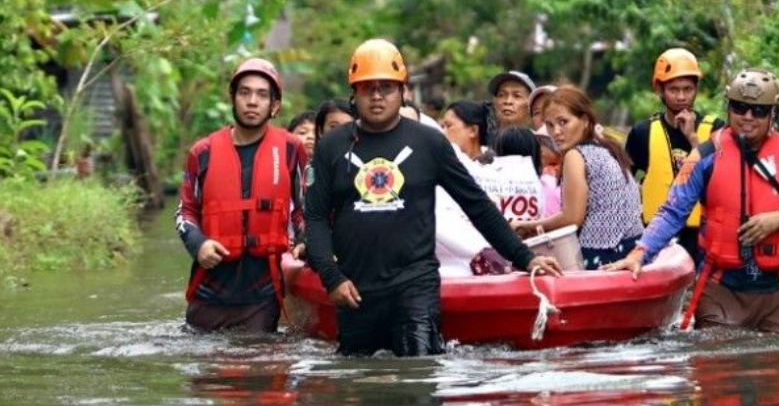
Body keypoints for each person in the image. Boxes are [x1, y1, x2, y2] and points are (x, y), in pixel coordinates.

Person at [305, 39, 561, 357]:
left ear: (402, 91)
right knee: (358, 384)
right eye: (367, 87)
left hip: (415, 287)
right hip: (355, 290)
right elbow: (314, 218)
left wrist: (525, 257)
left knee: (420, 379)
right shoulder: (331, 146)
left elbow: (477, 206)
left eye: (386, 87)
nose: (376, 95)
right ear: (353, 94)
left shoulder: (429, 143)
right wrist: (331, 278)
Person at [604, 68, 779, 333]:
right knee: (716, 367)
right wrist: (639, 254)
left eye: (759, 111)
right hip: (719, 290)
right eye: (740, 108)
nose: (748, 117)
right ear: (729, 108)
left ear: (775, 114)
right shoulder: (704, 156)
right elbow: (673, 212)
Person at [176, 57, 308, 333]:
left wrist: (304, 240)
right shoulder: (202, 152)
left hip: (262, 296)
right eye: (244, 93)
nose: (252, 101)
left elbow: (302, 208)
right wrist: (198, 244)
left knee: (259, 371)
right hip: (209, 292)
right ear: (233, 99)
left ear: (275, 105)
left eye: (262, 95)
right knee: (208, 374)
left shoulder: (291, 149)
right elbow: (185, 212)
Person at [512, 86, 643, 270]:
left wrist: (529, 226)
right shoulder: (607, 148)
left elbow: (572, 218)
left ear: (585, 121)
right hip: (632, 248)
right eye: (549, 125)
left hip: (603, 254)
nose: (556, 131)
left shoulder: (575, 155)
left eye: (563, 122)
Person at [625, 48, 723, 264]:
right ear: (660, 89)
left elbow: (723, 182)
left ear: (697, 89)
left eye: (688, 89)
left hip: (704, 237)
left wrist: (693, 139)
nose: (681, 97)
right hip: (658, 236)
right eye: (673, 89)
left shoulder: (716, 129)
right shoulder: (642, 133)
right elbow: (623, 182)